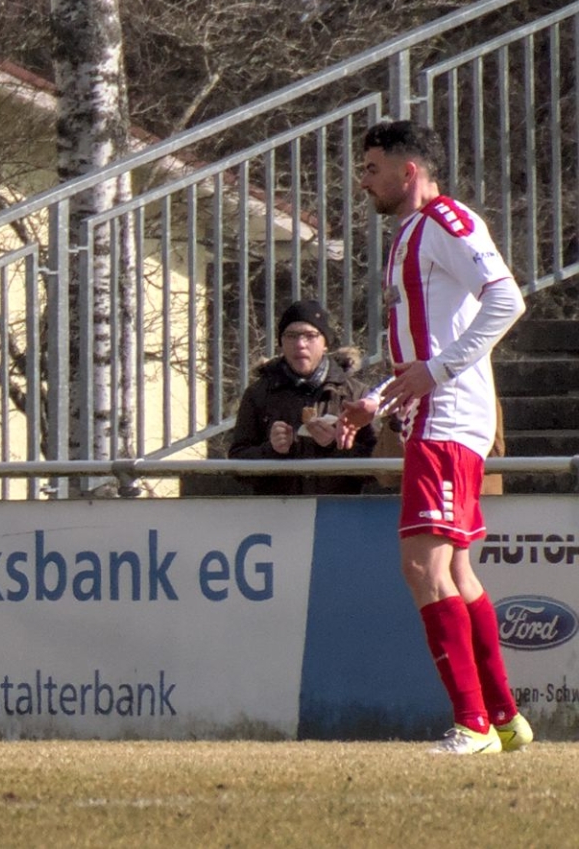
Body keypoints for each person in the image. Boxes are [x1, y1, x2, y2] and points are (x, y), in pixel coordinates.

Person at [340, 118, 529, 755]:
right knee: (454, 569)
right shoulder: (412, 233)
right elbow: (425, 346)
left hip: (447, 418)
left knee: (422, 566)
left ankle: (471, 725)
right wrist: (374, 400)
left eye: (372, 168)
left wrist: (439, 372)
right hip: (432, 413)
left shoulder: (447, 222)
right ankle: (503, 719)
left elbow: (507, 301)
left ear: (409, 171)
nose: (363, 181)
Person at [226, 298, 374, 496]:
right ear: (281, 343)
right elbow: (237, 467)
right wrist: (271, 450)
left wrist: (335, 446)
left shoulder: (355, 394)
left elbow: (379, 468)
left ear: (325, 343)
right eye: (291, 336)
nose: (300, 344)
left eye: (310, 336)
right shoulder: (259, 393)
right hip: (280, 510)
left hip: (338, 509)